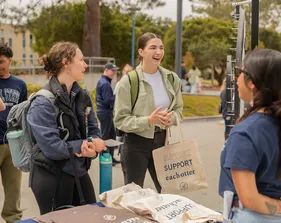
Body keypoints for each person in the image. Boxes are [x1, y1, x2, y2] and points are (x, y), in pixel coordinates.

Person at [27, 42, 106, 214]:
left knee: (90, 216)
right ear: (66, 62)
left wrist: (91, 145)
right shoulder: (42, 102)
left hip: (78, 171)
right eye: (81, 60)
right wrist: (84, 146)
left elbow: (93, 129)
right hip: (52, 176)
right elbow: (52, 148)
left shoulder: (83, 95)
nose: (85, 65)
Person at [114, 32, 183, 193]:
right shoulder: (129, 81)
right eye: (152, 47)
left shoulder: (172, 79)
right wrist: (149, 121)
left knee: (168, 193)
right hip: (135, 144)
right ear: (141, 52)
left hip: (163, 142)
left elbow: (179, 110)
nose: (158, 52)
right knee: (134, 195)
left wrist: (171, 118)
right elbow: (120, 120)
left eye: (161, 48)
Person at [219, 48, 281, 222]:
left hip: (251, 216)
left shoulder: (246, 132)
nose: (237, 79)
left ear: (251, 82)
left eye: (240, 72)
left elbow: (249, 198)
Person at [0, 43, 27, 223]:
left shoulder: (19, 84)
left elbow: (24, 113)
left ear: (9, 61)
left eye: (1, 61)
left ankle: (13, 219)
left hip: (13, 144)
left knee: (13, 189)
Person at [96, 63, 120, 165]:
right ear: (106, 70)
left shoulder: (104, 82)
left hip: (104, 112)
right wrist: (117, 96)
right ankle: (104, 157)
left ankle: (110, 157)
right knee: (106, 136)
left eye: (115, 71)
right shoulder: (105, 84)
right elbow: (107, 100)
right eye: (112, 70)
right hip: (105, 112)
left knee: (111, 135)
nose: (114, 73)